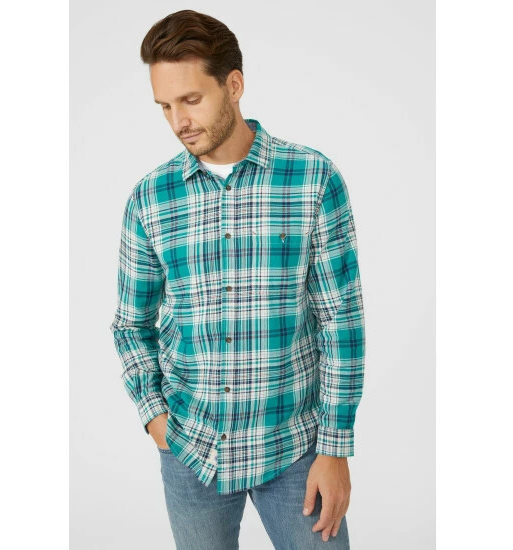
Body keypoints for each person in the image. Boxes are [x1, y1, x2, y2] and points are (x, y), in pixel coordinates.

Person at [110, 9, 366, 549]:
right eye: (165, 106)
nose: (178, 121)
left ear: (233, 85)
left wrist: (335, 447)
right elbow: (131, 324)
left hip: (295, 449)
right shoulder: (150, 198)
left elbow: (341, 322)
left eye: (191, 99)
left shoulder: (312, 179)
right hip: (191, 450)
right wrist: (155, 417)